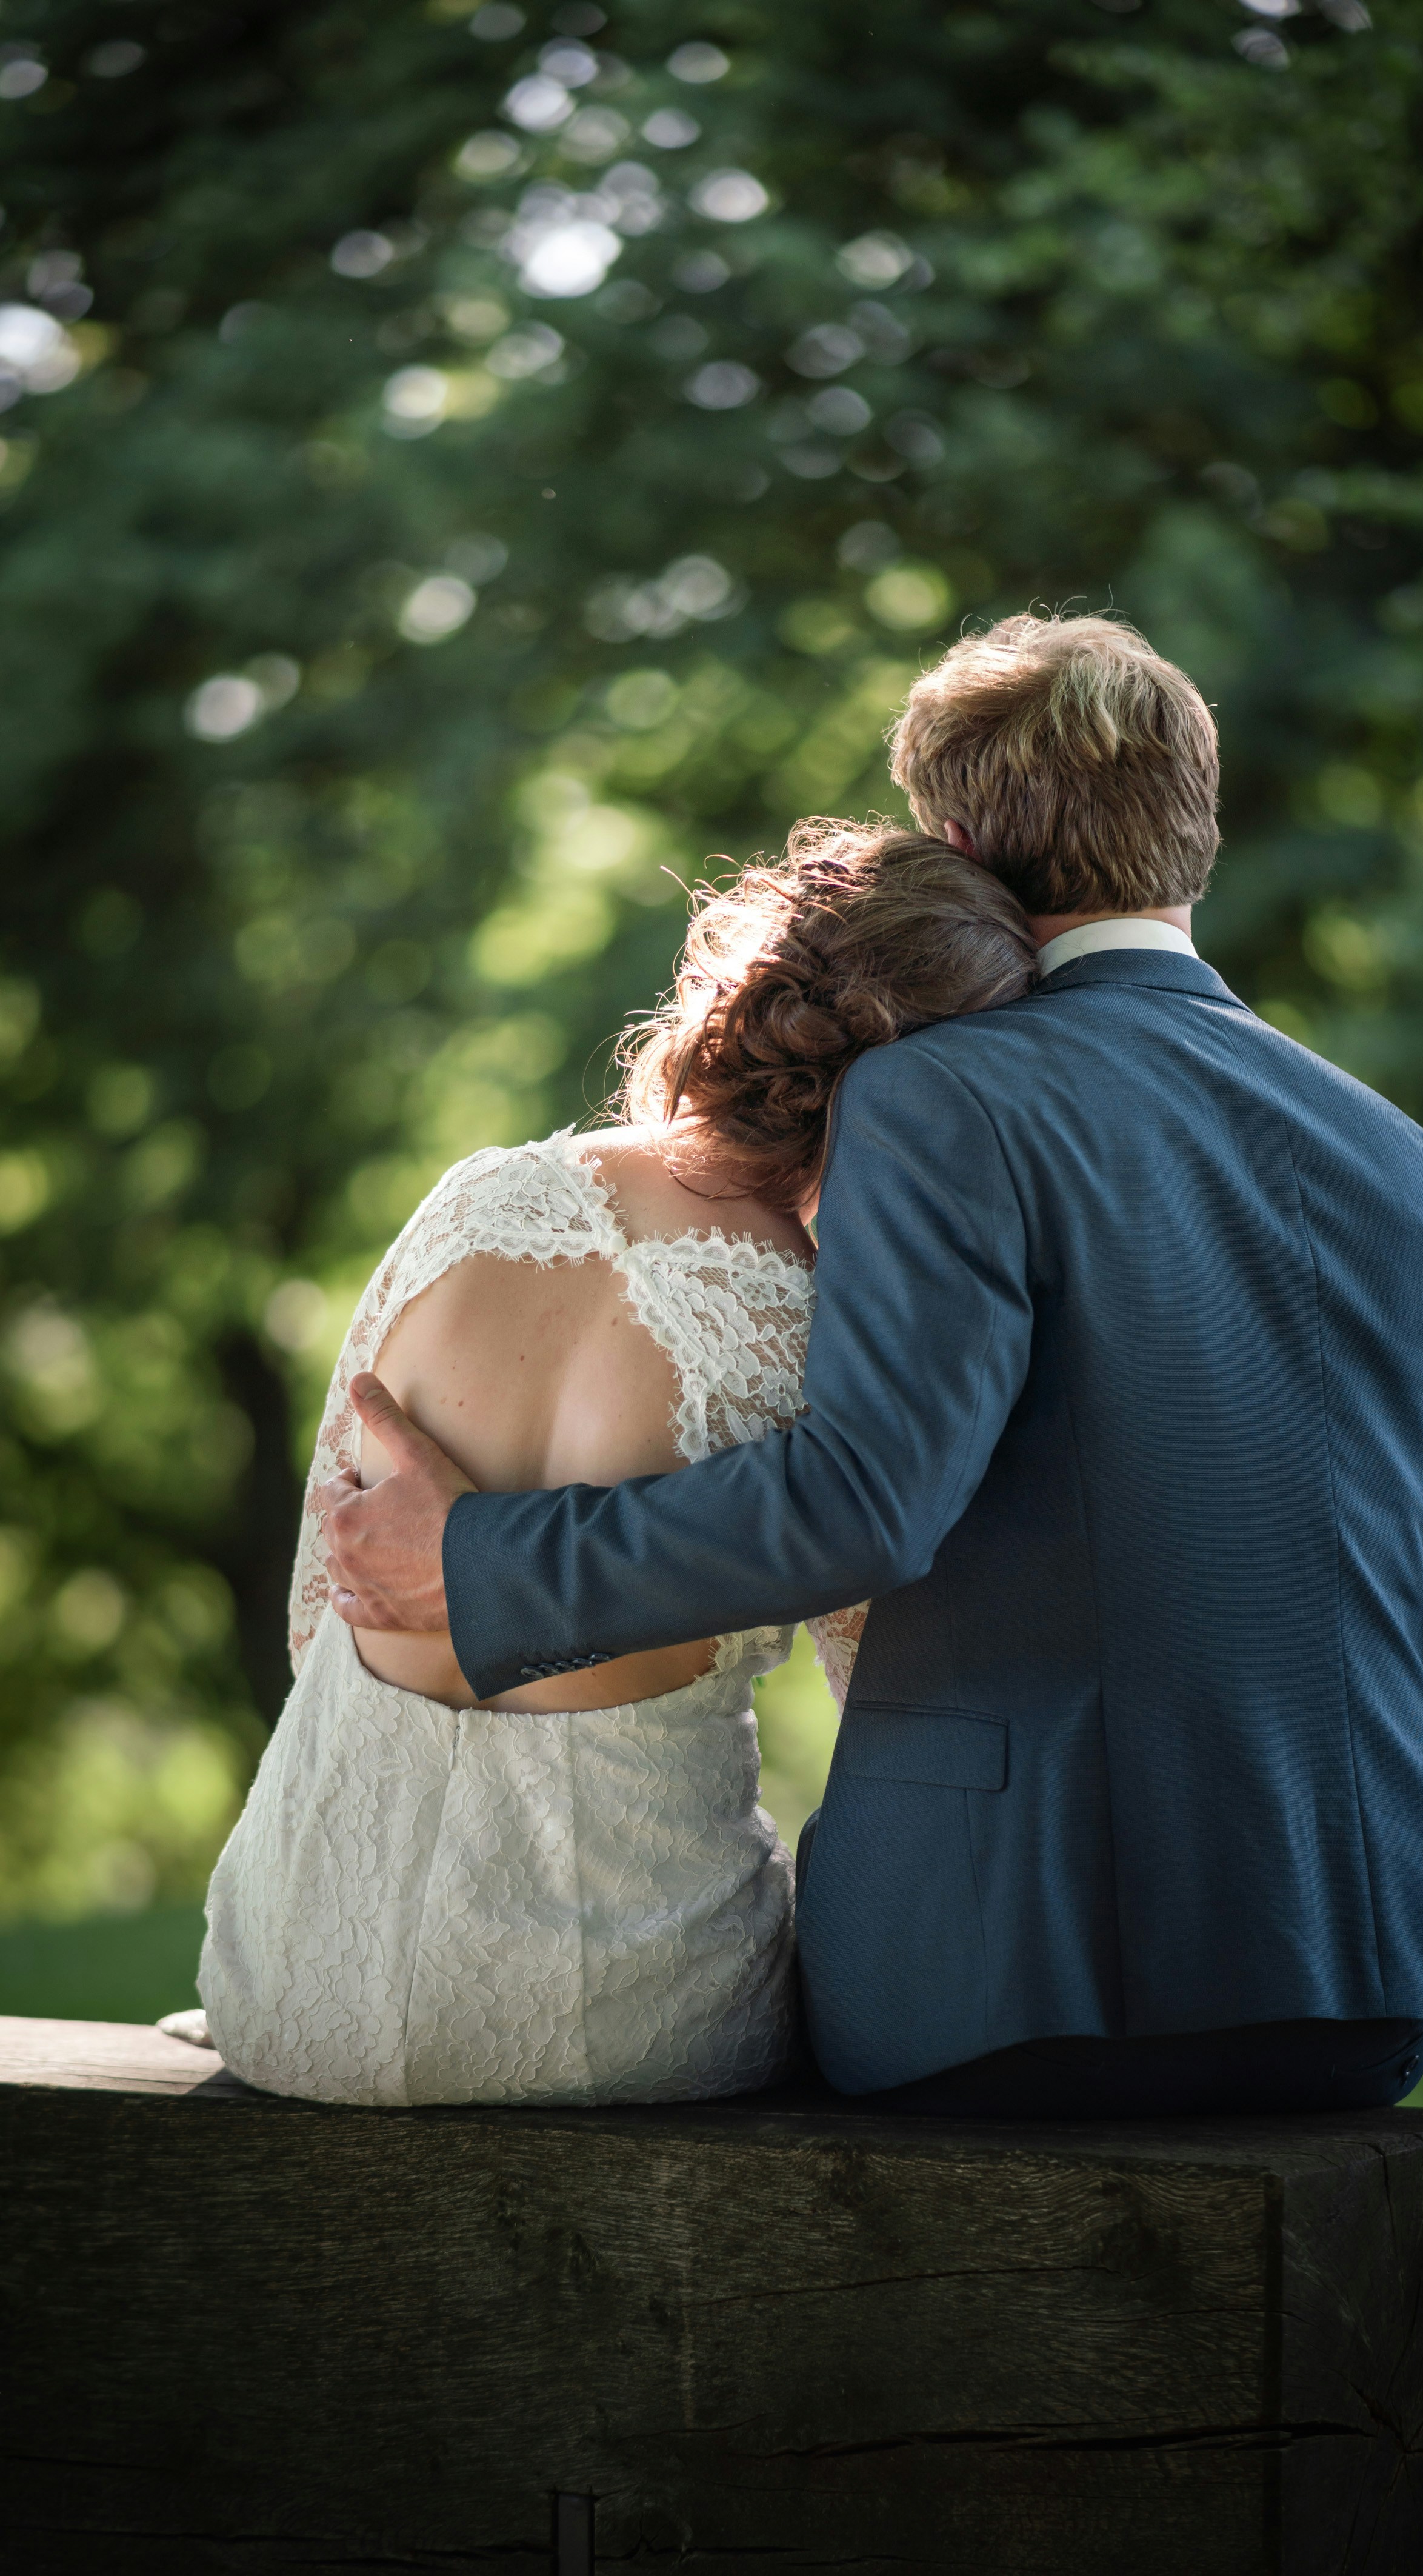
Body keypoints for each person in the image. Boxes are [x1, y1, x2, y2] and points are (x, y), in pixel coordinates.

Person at [320, 612, 1423, 2119]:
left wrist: (486, 1561)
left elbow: (870, 1501)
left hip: (1008, 1982)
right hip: (1362, 1980)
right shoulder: (1411, 1163)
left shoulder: (937, 1091)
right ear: (1192, 837)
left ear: (956, 837)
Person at [192, 825, 1035, 2106]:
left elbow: (327, 1606)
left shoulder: (473, 1199)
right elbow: (890, 1714)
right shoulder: (827, 1328)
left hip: (290, 1975)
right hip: (616, 2013)